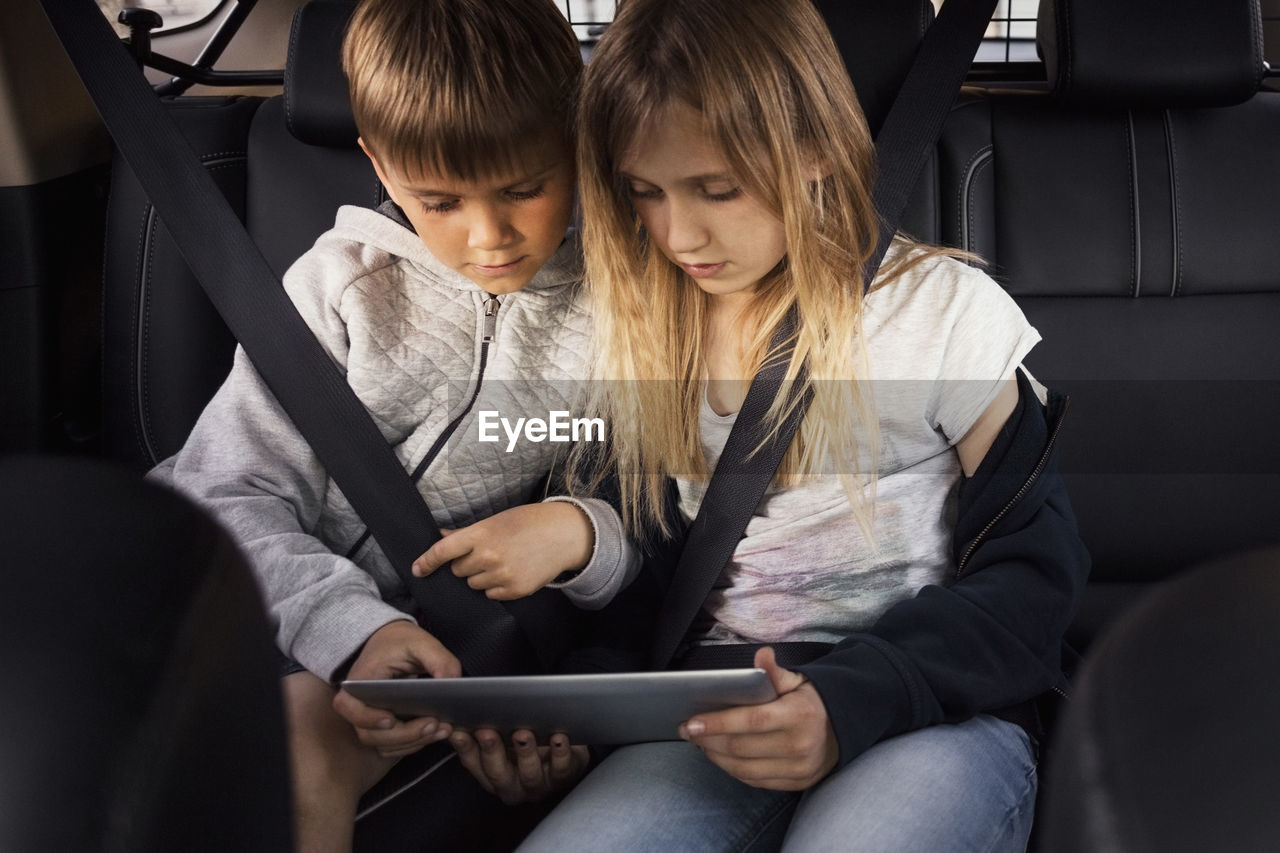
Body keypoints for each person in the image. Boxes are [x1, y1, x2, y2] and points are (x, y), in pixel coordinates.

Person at [515, 0, 1091, 850]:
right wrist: (572, 712)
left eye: (719, 189)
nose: (681, 233)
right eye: (646, 193)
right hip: (713, 710)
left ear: (815, 149)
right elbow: (646, 588)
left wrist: (849, 700)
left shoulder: (938, 315)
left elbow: (1035, 575)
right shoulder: (641, 333)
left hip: (927, 705)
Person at [150, 1, 640, 850]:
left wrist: (586, 537)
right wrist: (354, 630)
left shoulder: (628, 301)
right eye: (438, 201)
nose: (488, 237)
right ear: (378, 162)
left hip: (479, 652)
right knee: (292, 727)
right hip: (274, 612)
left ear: (581, 143)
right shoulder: (343, 289)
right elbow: (223, 492)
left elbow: (658, 509)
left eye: (526, 188)